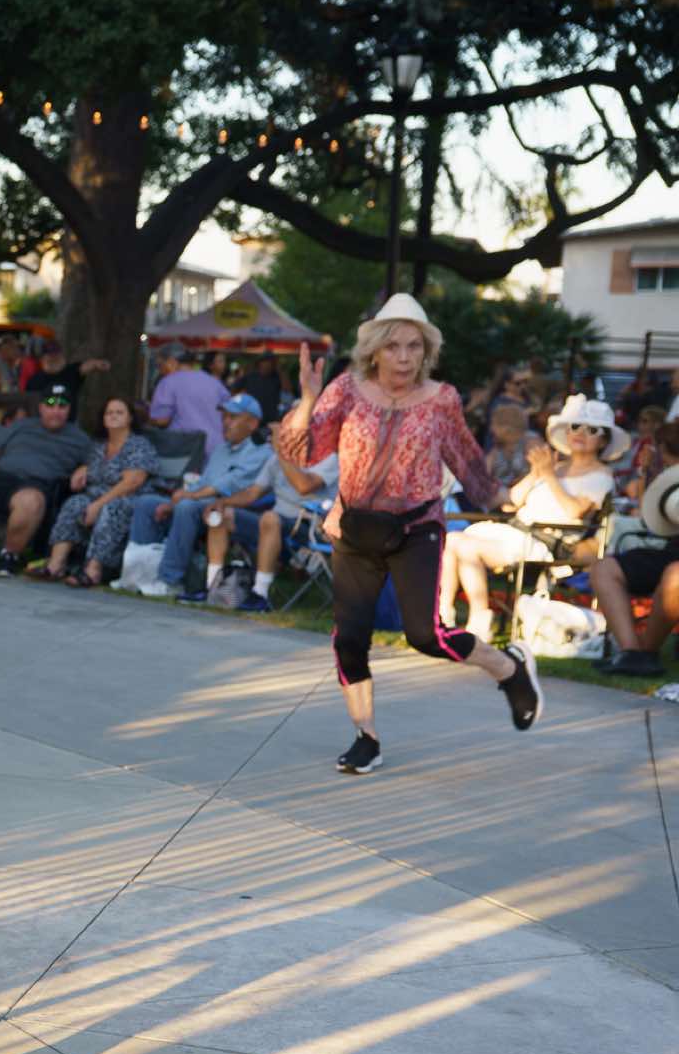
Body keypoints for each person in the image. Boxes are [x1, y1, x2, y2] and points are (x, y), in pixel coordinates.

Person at [275, 294, 540, 777]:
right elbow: (301, 451)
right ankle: (366, 737)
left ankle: (507, 668)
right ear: (374, 349)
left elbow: (465, 458)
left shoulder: (441, 399)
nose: (403, 357)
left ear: (426, 352)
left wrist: (503, 496)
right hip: (354, 530)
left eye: (414, 346)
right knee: (349, 638)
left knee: (424, 634)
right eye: (393, 346)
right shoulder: (346, 389)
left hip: (416, 529)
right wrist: (309, 399)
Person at [439, 396, 620, 643]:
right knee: (452, 539)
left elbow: (575, 512)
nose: (580, 433)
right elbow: (513, 499)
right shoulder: (553, 466)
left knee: (465, 545)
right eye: (575, 426)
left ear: (603, 440)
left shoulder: (601, 475)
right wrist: (536, 474)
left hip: (546, 542)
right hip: (517, 531)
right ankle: (444, 615)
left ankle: (479, 618)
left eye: (592, 430)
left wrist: (549, 476)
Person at [127, 394, 272, 599]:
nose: (226, 422)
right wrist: (177, 499)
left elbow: (229, 484)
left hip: (234, 509)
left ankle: (170, 581)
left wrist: (188, 497)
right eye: (224, 417)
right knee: (146, 503)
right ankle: (138, 575)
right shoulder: (221, 449)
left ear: (253, 423)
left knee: (186, 506)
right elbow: (203, 481)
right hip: (203, 503)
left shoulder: (261, 451)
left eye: (233, 417)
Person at [0, 385, 94, 576]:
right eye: (50, 404)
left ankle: (9, 556)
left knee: (29, 501)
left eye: (62, 406)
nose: (56, 411)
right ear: (41, 407)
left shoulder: (80, 439)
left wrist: (84, 468)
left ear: (69, 409)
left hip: (34, 485)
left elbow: (97, 462)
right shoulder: (21, 425)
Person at [198, 421, 340, 612]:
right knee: (220, 516)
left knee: (270, 518)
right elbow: (252, 493)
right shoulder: (276, 460)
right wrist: (222, 503)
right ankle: (213, 587)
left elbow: (304, 486)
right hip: (273, 525)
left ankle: (260, 595)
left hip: (310, 527)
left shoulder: (329, 460)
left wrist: (281, 451)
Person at [35, 396, 157, 588]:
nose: (113, 416)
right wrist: (82, 471)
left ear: (130, 418)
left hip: (129, 498)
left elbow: (132, 482)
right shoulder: (99, 446)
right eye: (109, 413)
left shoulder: (139, 445)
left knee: (112, 508)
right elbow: (92, 470)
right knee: (75, 503)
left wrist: (98, 505)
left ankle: (94, 570)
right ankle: (56, 564)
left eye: (119, 412)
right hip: (96, 496)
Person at [593, 464, 679, 676]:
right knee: (605, 568)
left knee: (676, 575)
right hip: (672, 550)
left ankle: (647, 652)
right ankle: (630, 651)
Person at [148, 344, 231, 456]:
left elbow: (161, 420)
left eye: (160, 365)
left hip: (185, 451)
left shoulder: (168, 382)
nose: (160, 371)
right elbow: (229, 414)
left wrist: (147, 419)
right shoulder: (214, 383)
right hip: (217, 449)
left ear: (171, 362)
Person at [24, 340, 111, 396]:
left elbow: (86, 366)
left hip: (70, 419)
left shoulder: (71, 371)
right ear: (43, 358)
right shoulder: (34, 381)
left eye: (56, 354)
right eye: (50, 354)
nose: (53, 357)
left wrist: (97, 364)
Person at [243, 354, 285, 426]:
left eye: (270, 363)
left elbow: (287, 389)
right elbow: (235, 390)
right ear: (259, 364)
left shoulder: (276, 376)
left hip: (271, 418)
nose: (267, 365)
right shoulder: (251, 376)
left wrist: (280, 371)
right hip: (252, 417)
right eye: (265, 362)